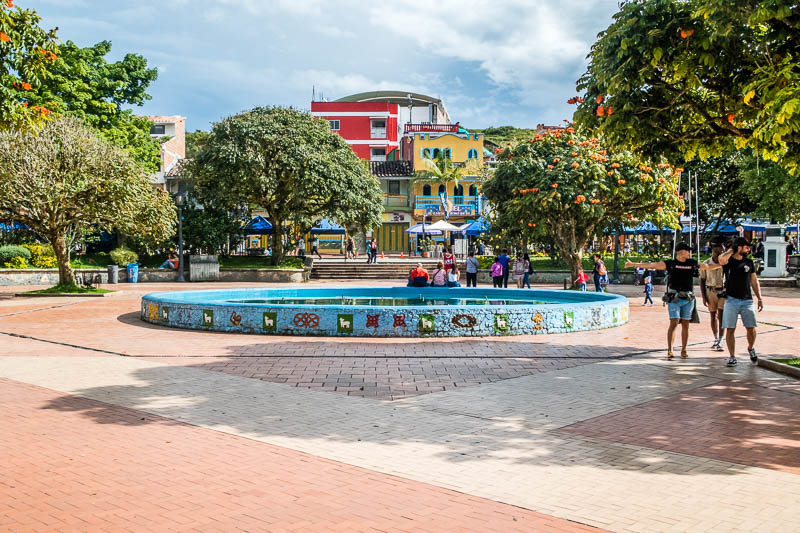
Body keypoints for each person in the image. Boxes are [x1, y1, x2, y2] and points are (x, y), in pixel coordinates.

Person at [626, 243, 721, 359]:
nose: (689, 253)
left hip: (688, 298)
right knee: (674, 322)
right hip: (674, 297)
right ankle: (670, 350)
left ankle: (684, 349)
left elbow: (707, 266)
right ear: (680, 252)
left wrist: (721, 265)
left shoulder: (692, 263)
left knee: (686, 324)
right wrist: (634, 264)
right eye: (687, 251)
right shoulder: (671, 264)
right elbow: (653, 265)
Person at [718, 237, 764, 366]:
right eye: (746, 247)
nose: (748, 249)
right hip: (731, 299)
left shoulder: (749, 262)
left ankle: (750, 347)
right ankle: (732, 356)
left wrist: (759, 298)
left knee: (751, 327)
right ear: (739, 247)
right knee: (730, 329)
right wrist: (732, 250)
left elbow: (754, 281)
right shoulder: (729, 261)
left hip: (747, 300)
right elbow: (721, 259)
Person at [700, 240, 727, 351]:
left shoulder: (726, 264)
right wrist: (703, 296)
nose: (718, 254)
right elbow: (702, 280)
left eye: (720, 252)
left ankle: (721, 339)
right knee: (712, 316)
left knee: (721, 316)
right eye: (716, 252)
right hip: (710, 291)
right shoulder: (706, 263)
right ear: (712, 251)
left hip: (722, 291)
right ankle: (715, 337)